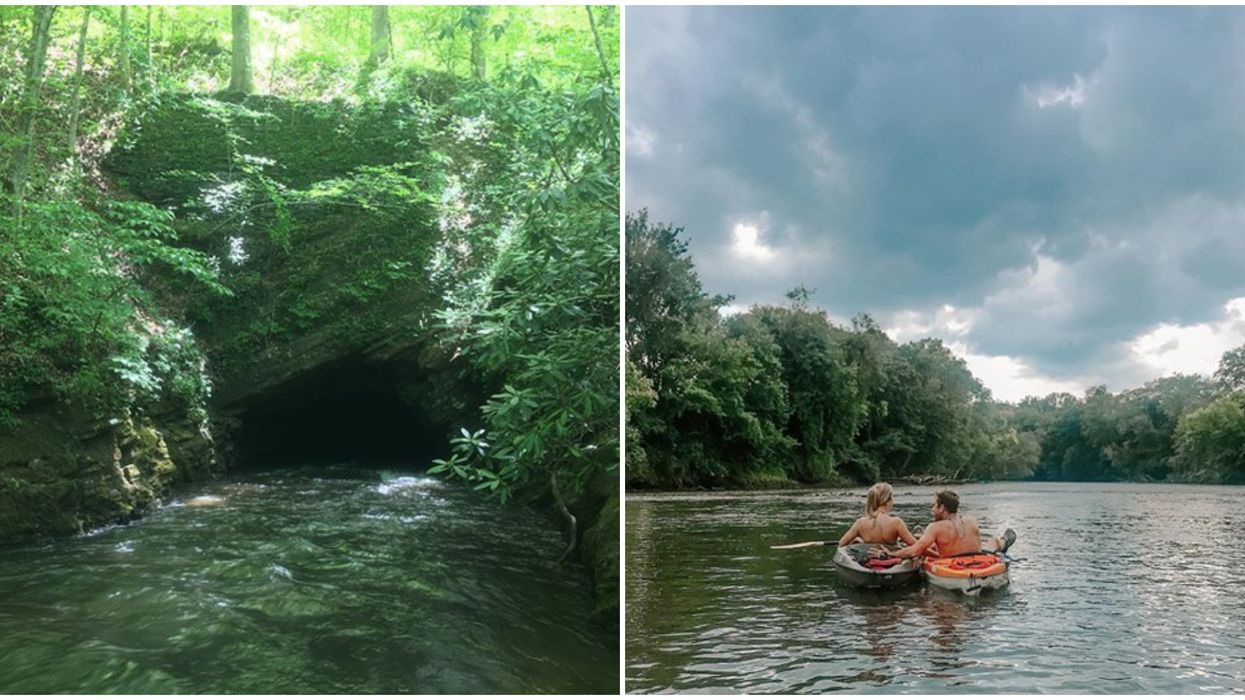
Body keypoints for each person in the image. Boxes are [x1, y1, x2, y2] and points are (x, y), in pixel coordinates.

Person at [885, 490, 1015, 560]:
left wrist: (892, 554)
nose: (932, 509)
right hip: (978, 557)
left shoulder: (935, 527)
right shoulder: (972, 520)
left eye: (934, 505)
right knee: (992, 541)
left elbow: (915, 551)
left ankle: (1003, 541)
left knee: (930, 543)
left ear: (942, 508)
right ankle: (1003, 541)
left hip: (954, 564)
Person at [837, 482, 918, 549]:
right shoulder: (897, 523)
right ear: (888, 501)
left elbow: (841, 544)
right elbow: (916, 547)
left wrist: (860, 543)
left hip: (869, 559)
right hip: (891, 560)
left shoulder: (860, 523)